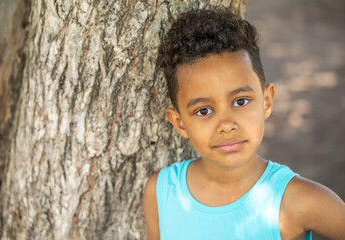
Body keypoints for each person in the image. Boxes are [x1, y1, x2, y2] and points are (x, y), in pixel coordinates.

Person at [143, 7, 345, 240]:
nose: (226, 124)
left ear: (266, 102)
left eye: (240, 101)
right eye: (204, 110)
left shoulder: (301, 200)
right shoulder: (160, 192)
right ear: (180, 124)